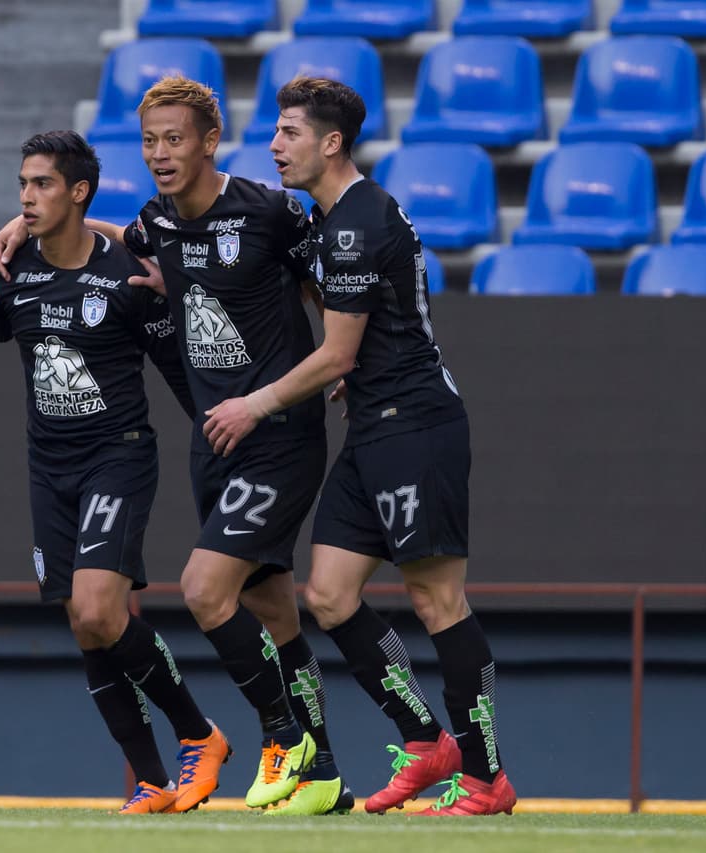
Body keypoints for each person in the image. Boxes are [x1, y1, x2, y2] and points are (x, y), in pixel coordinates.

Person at [0, 76, 351, 816]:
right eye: (150, 140)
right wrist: (23, 225)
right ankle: (324, 773)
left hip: (279, 432)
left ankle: (283, 737)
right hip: (214, 439)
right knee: (276, 613)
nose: (159, 153)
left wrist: (342, 361)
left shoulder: (272, 211)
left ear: (209, 141)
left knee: (204, 588)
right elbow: (121, 234)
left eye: (174, 138)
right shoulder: (155, 221)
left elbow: (331, 285)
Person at [0, 130, 230, 815]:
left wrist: (222, 434)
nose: (28, 198)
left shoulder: (126, 273)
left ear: (79, 192)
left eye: (43, 184)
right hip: (48, 465)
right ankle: (151, 780)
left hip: (117, 454)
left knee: (97, 607)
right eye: (23, 185)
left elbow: (178, 372)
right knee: (85, 625)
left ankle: (200, 733)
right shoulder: (12, 271)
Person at [201, 76, 517, 817]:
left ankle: (485, 775)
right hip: (374, 426)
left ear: (331, 141)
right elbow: (343, 314)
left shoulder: (355, 223)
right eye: (276, 134)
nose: (275, 147)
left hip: (417, 426)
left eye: (289, 133)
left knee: (438, 599)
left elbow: (337, 354)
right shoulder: (333, 219)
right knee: (330, 596)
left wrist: (253, 403)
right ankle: (423, 739)